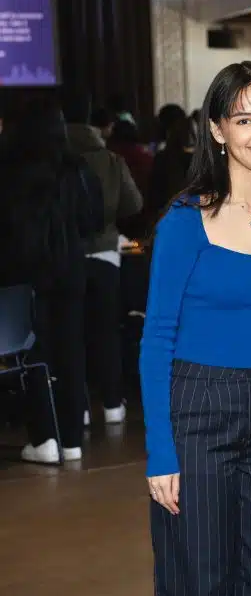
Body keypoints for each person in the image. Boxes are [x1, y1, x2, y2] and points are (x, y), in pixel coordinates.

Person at [140, 61, 251, 596]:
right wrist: (161, 453)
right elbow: (156, 337)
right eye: (245, 120)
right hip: (197, 407)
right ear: (217, 130)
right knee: (202, 574)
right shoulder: (186, 221)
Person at [0, 95, 95, 464]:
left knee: (34, 355)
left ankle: (44, 438)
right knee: (71, 351)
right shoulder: (74, 167)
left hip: (24, 275)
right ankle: (72, 439)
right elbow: (92, 218)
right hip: (71, 267)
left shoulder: (9, 169)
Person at [64, 88, 143, 424]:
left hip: (65, 255)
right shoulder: (109, 159)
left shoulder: (54, 158)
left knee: (71, 333)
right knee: (107, 331)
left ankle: (78, 407)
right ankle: (112, 404)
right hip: (106, 252)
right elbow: (134, 204)